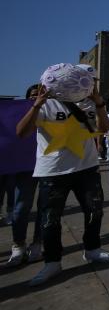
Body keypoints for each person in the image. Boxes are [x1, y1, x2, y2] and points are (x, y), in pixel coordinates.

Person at [16, 81, 109, 286]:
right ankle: (52, 262)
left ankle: (92, 249)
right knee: (50, 219)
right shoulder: (46, 105)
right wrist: (37, 105)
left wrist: (99, 103)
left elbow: (104, 129)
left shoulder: (90, 105)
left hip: (87, 168)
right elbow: (22, 132)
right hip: (53, 171)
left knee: (94, 211)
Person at [4, 84, 44, 266]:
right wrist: (35, 107)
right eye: (33, 95)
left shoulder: (52, 112)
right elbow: (20, 132)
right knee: (21, 207)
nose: (36, 97)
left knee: (45, 208)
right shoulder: (22, 111)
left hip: (48, 166)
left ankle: (38, 244)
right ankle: (18, 245)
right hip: (24, 167)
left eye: (40, 95)